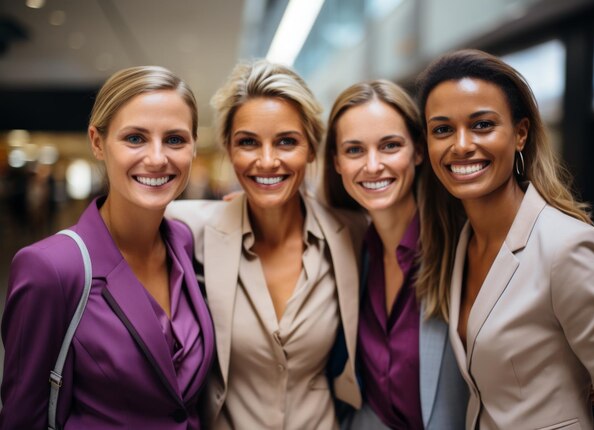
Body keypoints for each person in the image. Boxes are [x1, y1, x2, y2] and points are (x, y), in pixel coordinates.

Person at [415, 49, 594, 429]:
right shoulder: (458, 244)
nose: (460, 145)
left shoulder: (567, 246)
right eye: (442, 129)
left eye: (482, 125)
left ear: (521, 134)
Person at [0, 66, 215, 430]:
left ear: (194, 146)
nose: (158, 157)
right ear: (98, 142)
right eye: (135, 138)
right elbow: (23, 418)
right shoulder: (51, 267)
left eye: (175, 140)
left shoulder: (183, 242)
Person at [166, 60, 366, 429]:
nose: (268, 161)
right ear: (228, 149)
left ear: (311, 149)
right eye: (248, 142)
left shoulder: (352, 233)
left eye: (286, 141)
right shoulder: (188, 228)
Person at [323, 80, 467, 429]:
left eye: (390, 146)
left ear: (418, 151)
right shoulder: (356, 249)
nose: (373, 166)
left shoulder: (462, 245)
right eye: (354, 150)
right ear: (337, 162)